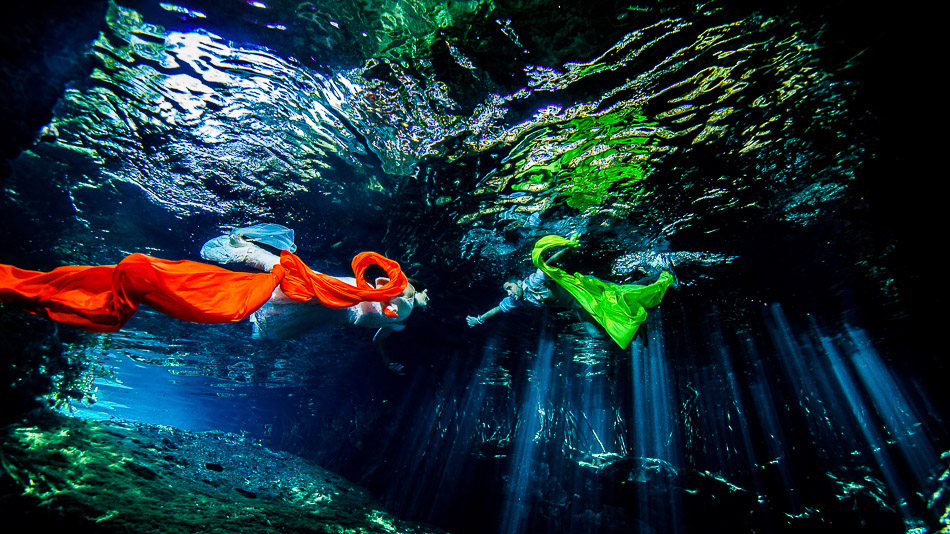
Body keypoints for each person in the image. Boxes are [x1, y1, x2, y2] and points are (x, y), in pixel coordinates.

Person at [0, 223, 427, 373]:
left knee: (294, 284)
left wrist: (389, 362)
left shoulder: (400, 313)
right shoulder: (399, 304)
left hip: (329, 312)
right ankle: (255, 257)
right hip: (331, 304)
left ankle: (258, 260)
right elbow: (380, 314)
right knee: (295, 281)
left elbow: (382, 336)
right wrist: (390, 314)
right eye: (419, 297)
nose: (417, 300)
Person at [201, 224, 429, 373]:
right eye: (427, 293)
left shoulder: (401, 322)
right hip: (349, 295)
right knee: (304, 280)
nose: (428, 299)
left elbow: (378, 339)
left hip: (342, 314)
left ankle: (249, 262)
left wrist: (388, 363)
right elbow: (381, 284)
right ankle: (249, 252)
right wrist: (384, 301)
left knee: (300, 291)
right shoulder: (407, 291)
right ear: (419, 290)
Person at [466, 235, 673, 349]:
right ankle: (638, 328)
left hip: (586, 292)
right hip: (578, 306)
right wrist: (479, 318)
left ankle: (663, 275)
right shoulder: (518, 299)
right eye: (506, 291)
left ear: (518, 282)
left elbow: (549, 263)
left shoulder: (534, 280)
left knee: (624, 294)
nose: (509, 292)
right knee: (596, 335)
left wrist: (569, 247)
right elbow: (498, 309)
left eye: (509, 287)